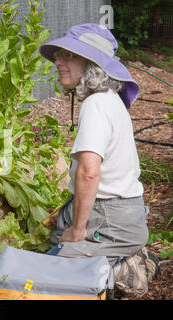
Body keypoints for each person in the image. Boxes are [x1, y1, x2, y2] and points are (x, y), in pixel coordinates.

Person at [38, 23, 158, 286]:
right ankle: (116, 254)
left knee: (50, 275)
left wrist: (79, 229)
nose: (58, 61)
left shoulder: (95, 105)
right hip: (123, 214)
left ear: (92, 64)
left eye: (68, 55)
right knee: (56, 238)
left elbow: (90, 174)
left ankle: (125, 270)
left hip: (112, 219)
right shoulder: (109, 100)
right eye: (59, 54)